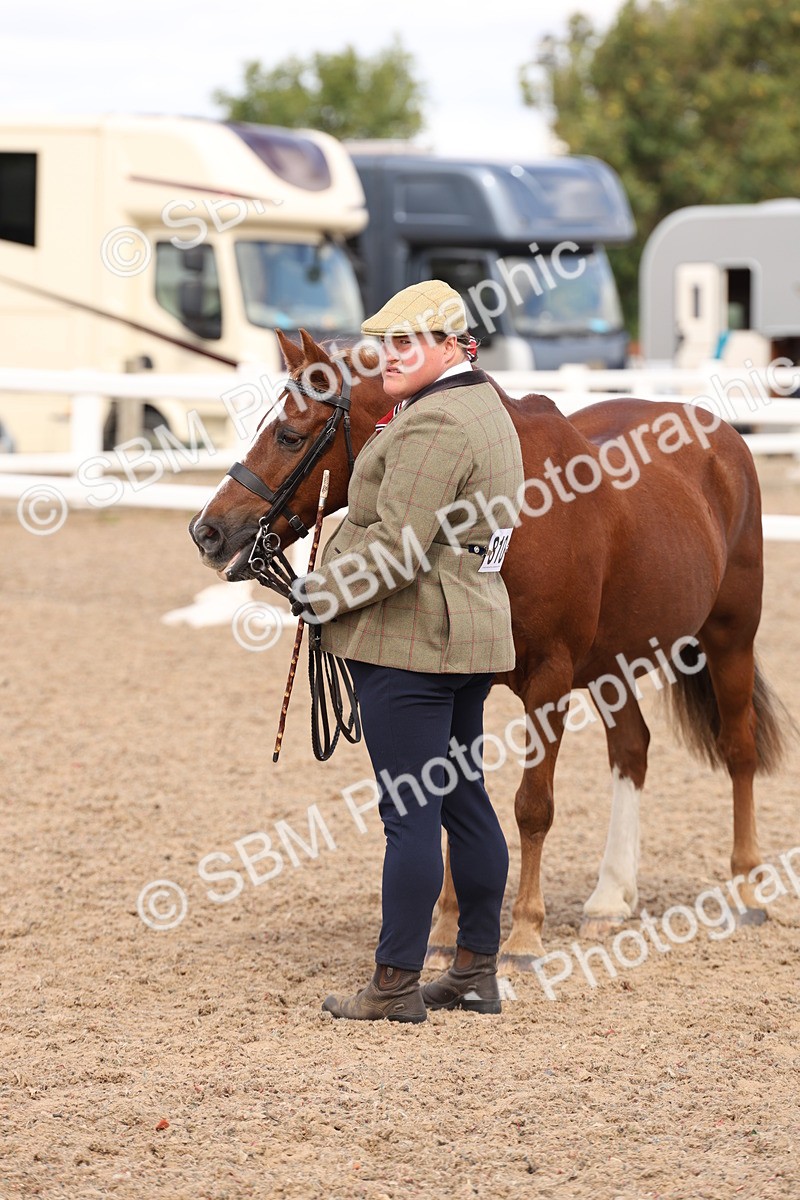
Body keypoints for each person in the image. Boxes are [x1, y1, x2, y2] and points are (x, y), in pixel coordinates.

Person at [292, 279, 525, 1022]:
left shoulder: (435, 426)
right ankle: (474, 969)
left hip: (413, 639)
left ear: (455, 347)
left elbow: (396, 548)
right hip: (464, 631)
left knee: (410, 813)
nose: (390, 357)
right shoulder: (481, 405)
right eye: (386, 343)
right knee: (462, 799)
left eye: (408, 343)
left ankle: (394, 983)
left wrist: (317, 596)